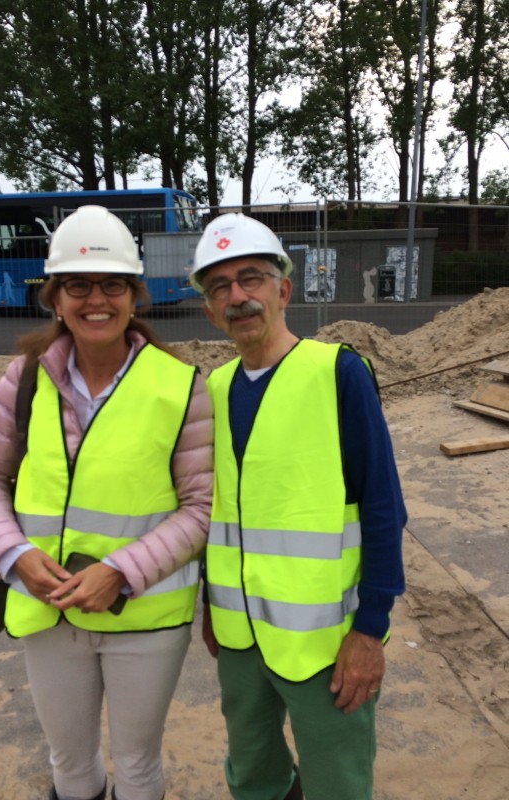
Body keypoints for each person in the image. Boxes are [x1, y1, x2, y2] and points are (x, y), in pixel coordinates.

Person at [0, 205, 213, 800]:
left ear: (134, 297)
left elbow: (200, 509)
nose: (95, 299)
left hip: (144, 619)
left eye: (113, 285)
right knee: (69, 763)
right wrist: (13, 553)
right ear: (55, 297)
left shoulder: (179, 387)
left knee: (136, 763)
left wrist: (120, 573)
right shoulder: (24, 379)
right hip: (47, 612)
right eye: (78, 285)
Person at [188, 213, 406, 800]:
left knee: (336, 781)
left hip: (325, 644)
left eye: (251, 278)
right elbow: (219, 512)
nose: (237, 297)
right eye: (219, 287)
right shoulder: (214, 388)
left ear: (283, 290)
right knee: (254, 774)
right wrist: (212, 603)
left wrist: (371, 629)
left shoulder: (337, 373)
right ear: (210, 310)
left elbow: (384, 508)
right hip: (238, 638)